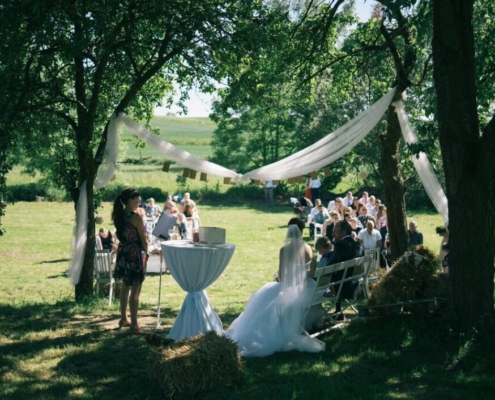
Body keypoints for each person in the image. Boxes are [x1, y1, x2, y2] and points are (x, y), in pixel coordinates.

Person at [225, 218, 325, 357]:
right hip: (308, 287)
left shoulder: (284, 250)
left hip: (291, 288)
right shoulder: (308, 248)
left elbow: (282, 277)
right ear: (302, 230)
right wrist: (301, 275)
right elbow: (313, 272)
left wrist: (288, 278)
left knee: (264, 299)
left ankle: (265, 333)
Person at [112, 188, 149, 334]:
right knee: (135, 290)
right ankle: (134, 324)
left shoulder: (119, 215)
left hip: (123, 252)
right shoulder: (136, 217)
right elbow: (143, 238)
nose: (138, 201)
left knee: (125, 286)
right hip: (134, 253)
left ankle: (123, 318)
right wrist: (147, 249)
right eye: (136, 199)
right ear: (129, 200)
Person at [329, 220, 364, 317]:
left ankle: (337, 310)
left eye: (335, 231)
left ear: (343, 232)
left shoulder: (340, 245)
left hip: (342, 286)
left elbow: (333, 264)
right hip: (356, 282)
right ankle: (338, 311)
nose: (333, 234)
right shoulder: (358, 245)